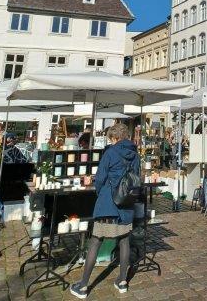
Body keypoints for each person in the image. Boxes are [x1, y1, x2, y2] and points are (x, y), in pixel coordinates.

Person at [70, 123, 140, 298]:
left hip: (109, 204)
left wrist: (103, 195)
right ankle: (122, 281)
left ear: (115, 137)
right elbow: (137, 178)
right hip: (126, 204)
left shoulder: (110, 152)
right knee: (124, 240)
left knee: (95, 241)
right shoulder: (135, 154)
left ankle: (84, 286)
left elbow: (100, 179)